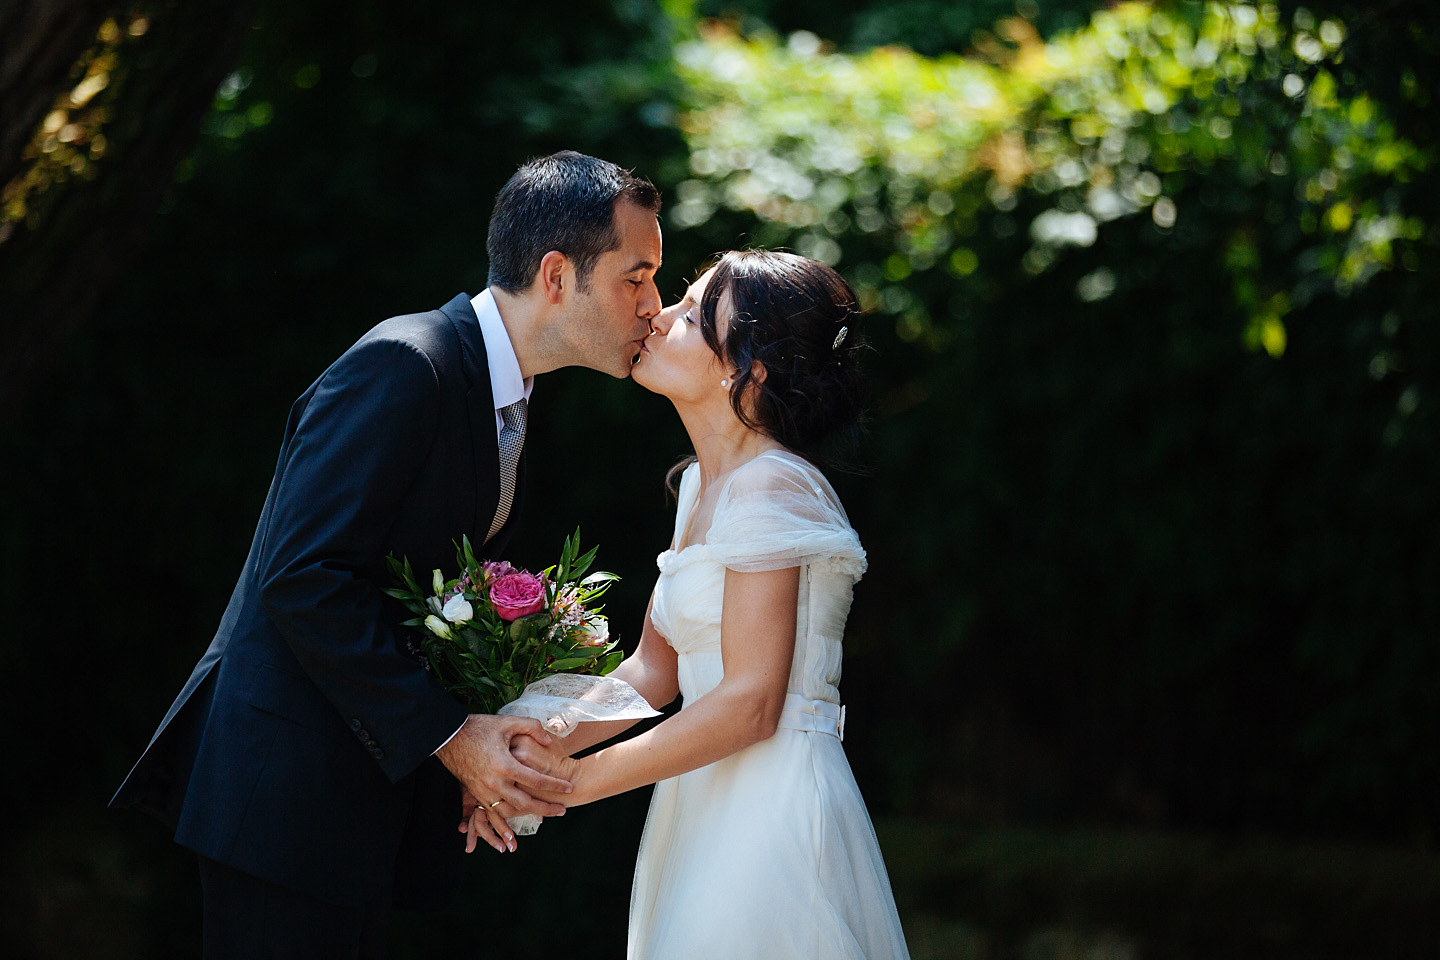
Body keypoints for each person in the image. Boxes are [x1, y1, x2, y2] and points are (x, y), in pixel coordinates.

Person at [110, 150, 664, 958]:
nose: (654, 304)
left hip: (354, 802)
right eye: (636, 276)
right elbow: (302, 577)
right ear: (555, 275)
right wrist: (450, 735)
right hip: (284, 799)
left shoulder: (501, 392)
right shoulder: (407, 363)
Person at [481, 249, 911, 959]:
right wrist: (526, 744)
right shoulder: (699, 489)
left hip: (771, 808)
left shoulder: (774, 487)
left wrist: (566, 787)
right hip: (703, 797)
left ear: (747, 370)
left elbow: (750, 703)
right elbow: (654, 671)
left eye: (691, 315)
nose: (658, 313)